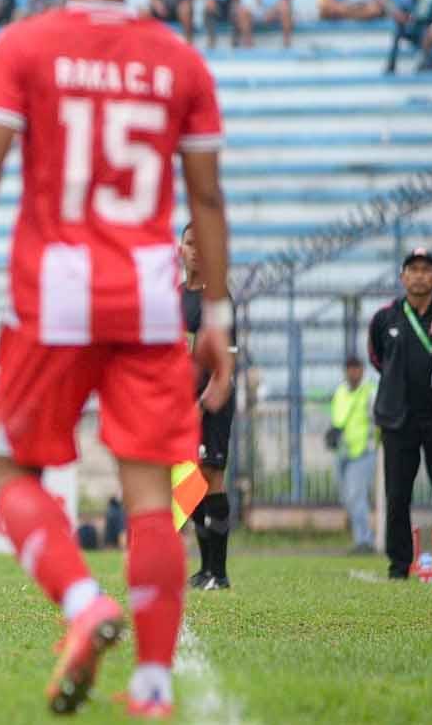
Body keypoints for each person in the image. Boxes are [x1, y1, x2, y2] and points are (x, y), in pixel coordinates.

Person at [0, 0, 232, 718]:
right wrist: (216, 312)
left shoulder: (25, 47)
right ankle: (153, 686)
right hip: (148, 296)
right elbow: (207, 197)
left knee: (11, 467)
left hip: (54, 292)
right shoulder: (179, 59)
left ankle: (83, 604)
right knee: (152, 494)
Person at [367, 248, 432, 582]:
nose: (419, 275)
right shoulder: (385, 318)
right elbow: (377, 357)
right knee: (397, 496)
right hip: (399, 421)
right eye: (413, 269)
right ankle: (399, 565)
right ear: (403, 277)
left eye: (426, 270)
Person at [179, 222, 237, 590]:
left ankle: (219, 571)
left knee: (210, 474)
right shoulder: (174, 297)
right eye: (190, 243)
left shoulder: (218, 299)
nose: (196, 250)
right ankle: (204, 569)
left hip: (211, 402)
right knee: (191, 480)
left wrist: (201, 405)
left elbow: (225, 362)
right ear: (180, 249)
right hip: (180, 406)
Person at [328, 356, 376, 553]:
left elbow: (376, 419)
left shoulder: (369, 392)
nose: (353, 373)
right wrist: (333, 432)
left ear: (362, 370)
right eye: (350, 369)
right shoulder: (340, 392)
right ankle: (362, 538)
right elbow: (337, 417)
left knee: (356, 495)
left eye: (356, 369)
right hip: (343, 452)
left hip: (362, 452)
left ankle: (365, 540)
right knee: (348, 497)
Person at [383, 0, 432, 76]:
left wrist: (406, 17)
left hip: (426, 30)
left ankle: (424, 62)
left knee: (425, 31)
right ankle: (391, 64)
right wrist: (400, 16)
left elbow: (422, 16)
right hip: (414, 29)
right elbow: (405, 11)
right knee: (399, 30)